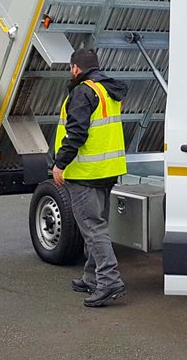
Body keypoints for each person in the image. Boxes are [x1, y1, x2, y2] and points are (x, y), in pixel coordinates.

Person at [52, 48, 129, 307]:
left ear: (75, 68)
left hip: (86, 173)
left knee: (92, 228)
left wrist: (59, 164)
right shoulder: (107, 89)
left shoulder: (82, 92)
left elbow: (76, 133)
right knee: (97, 226)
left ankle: (109, 282)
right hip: (107, 171)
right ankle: (92, 277)